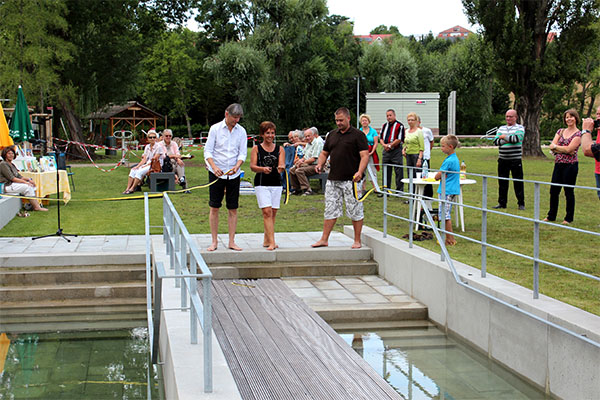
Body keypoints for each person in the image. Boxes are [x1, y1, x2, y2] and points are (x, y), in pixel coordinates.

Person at [312, 107, 369, 249]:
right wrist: (320, 164)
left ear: (348, 118)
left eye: (341, 120)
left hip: (352, 180)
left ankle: (357, 240)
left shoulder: (358, 135)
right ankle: (324, 239)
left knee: (355, 209)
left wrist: (360, 172)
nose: (338, 123)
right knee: (330, 209)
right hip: (333, 179)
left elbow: (364, 156)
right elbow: (324, 153)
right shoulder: (332, 135)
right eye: (337, 120)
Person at [204, 103, 247, 251]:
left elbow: (242, 153)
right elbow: (208, 151)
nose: (237, 121)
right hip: (216, 173)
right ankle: (214, 241)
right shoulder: (215, 129)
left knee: (233, 208)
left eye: (238, 118)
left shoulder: (241, 131)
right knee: (214, 207)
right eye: (234, 117)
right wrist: (214, 167)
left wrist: (238, 165)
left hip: (234, 174)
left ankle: (231, 241)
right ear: (226, 114)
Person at [250, 121, 285, 250]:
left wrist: (281, 167)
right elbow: (252, 166)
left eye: (272, 133)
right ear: (262, 134)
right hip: (261, 182)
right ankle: (272, 242)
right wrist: (262, 169)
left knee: (273, 212)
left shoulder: (280, 149)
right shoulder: (256, 149)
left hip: (276, 183)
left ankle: (266, 239)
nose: (270, 135)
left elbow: (281, 165)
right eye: (267, 133)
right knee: (267, 212)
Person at [544, 109, 582, 225]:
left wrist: (558, 148)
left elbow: (570, 149)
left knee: (568, 191)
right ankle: (551, 216)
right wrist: (561, 149)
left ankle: (568, 218)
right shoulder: (560, 131)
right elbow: (552, 146)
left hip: (570, 166)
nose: (568, 119)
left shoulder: (578, 134)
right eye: (566, 117)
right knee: (554, 191)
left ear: (576, 118)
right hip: (558, 164)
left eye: (571, 117)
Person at [493, 109, 526, 210]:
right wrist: (508, 139)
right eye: (507, 116)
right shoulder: (501, 128)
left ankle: (521, 203)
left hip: (515, 159)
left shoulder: (520, 128)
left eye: (510, 116)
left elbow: (517, 139)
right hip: (503, 159)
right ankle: (502, 203)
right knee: (502, 182)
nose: (508, 118)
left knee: (518, 182)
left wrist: (503, 137)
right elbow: (496, 142)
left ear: (515, 117)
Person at [0, 146, 48, 212]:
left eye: (12, 153)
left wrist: (29, 180)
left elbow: (19, 176)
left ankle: (31, 204)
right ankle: (36, 207)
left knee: (32, 185)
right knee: (27, 187)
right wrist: (25, 182)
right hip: (6, 185)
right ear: (5, 154)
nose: (11, 155)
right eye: (9, 153)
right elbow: (12, 178)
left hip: (12, 184)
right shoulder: (3, 164)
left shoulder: (12, 164)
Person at [435, 135, 460, 246]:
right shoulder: (454, 158)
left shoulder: (449, 161)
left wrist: (436, 176)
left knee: (445, 216)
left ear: (450, 147)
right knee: (444, 214)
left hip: (447, 190)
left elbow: (438, 175)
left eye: (443, 146)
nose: (441, 148)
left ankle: (450, 239)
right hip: (451, 189)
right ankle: (447, 237)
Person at [123, 129, 164, 194]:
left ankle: (132, 188)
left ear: (156, 138)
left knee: (140, 171)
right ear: (148, 138)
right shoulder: (147, 147)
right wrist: (138, 166)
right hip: (148, 163)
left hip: (156, 165)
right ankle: (127, 188)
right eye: (150, 137)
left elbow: (155, 160)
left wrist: (144, 166)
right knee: (133, 170)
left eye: (154, 137)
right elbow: (144, 159)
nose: (152, 139)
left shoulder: (159, 147)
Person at [289, 128, 324, 195]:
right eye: (306, 136)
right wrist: (300, 161)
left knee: (299, 170)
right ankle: (297, 189)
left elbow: (314, 158)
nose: (307, 138)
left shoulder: (317, 143)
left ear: (313, 135)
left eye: (309, 136)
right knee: (292, 170)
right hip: (309, 165)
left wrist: (302, 163)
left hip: (316, 166)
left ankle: (307, 189)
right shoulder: (308, 144)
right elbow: (305, 156)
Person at [379, 109, 405, 192]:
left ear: (394, 115)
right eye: (387, 116)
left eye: (390, 115)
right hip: (386, 151)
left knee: (398, 171)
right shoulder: (384, 126)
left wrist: (390, 145)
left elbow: (399, 139)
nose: (389, 117)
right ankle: (386, 189)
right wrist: (384, 145)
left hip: (396, 151)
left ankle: (399, 190)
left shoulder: (400, 126)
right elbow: (381, 138)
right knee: (386, 171)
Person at [581, 107, 600, 201]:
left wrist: (586, 131)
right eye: (597, 114)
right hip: (598, 171)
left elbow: (587, 150)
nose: (598, 118)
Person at [359, 114, 379, 191]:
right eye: (363, 120)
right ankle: (362, 188)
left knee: (372, 170)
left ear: (368, 121)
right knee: (362, 169)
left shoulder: (373, 131)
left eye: (366, 120)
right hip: (361, 154)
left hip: (371, 153)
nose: (364, 122)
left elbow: (376, 142)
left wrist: (372, 152)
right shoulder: (359, 131)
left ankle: (375, 188)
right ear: (361, 122)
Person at [402, 112, 424, 180]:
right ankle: (410, 189)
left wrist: (419, 159)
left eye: (412, 120)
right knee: (410, 175)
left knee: (417, 175)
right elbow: (407, 143)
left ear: (416, 121)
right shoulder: (406, 131)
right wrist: (404, 149)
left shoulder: (419, 131)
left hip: (416, 155)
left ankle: (417, 190)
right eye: (409, 120)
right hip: (408, 155)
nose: (410, 122)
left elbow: (422, 147)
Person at [418, 115, 434, 199]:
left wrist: (427, 152)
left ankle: (428, 194)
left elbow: (431, 142)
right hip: (415, 155)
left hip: (425, 156)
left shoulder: (427, 131)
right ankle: (417, 194)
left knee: (426, 174)